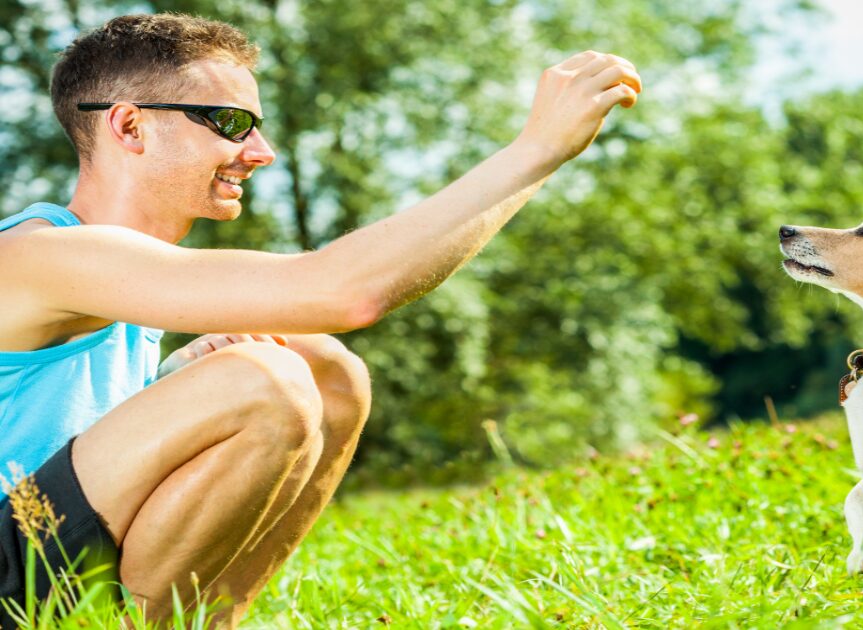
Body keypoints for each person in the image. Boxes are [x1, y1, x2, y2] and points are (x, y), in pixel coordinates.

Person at [0, 12, 640, 628]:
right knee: (264, 381)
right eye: (231, 122)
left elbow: (41, 425)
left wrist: (172, 378)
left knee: (324, 369)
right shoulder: (45, 254)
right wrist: (538, 149)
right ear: (130, 127)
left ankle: (206, 623)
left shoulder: (130, 276)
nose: (262, 151)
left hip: (42, 541)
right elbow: (345, 291)